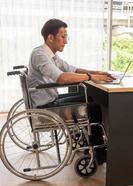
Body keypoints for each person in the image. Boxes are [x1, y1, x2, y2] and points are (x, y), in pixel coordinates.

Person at [27, 18, 114, 163]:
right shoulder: (40, 55)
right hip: (46, 107)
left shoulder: (51, 55)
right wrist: (91, 77)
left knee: (87, 98)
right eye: (63, 37)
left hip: (49, 100)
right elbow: (62, 78)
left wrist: (98, 72)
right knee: (93, 108)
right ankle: (99, 152)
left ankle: (88, 142)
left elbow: (71, 69)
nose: (66, 41)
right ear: (50, 37)